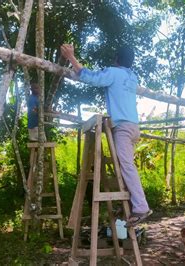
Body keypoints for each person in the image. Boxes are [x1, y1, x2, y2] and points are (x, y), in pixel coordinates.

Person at [60, 44, 152, 227]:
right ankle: (127, 202)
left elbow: (91, 78)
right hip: (134, 127)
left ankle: (141, 206)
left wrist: (71, 57)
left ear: (116, 58)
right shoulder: (132, 76)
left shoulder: (114, 72)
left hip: (123, 128)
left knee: (126, 166)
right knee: (124, 165)